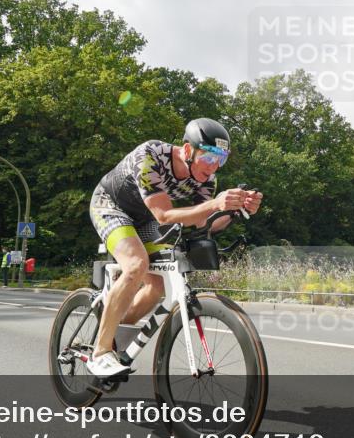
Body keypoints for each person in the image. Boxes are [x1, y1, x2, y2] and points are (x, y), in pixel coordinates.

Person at [87, 118, 262, 378]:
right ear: (188, 150)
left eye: (221, 159)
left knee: (157, 285)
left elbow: (202, 222)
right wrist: (215, 203)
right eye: (210, 157)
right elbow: (165, 216)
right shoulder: (151, 155)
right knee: (136, 265)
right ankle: (100, 352)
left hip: (146, 218)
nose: (214, 166)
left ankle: (112, 333)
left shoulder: (207, 178)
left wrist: (236, 210)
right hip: (111, 206)